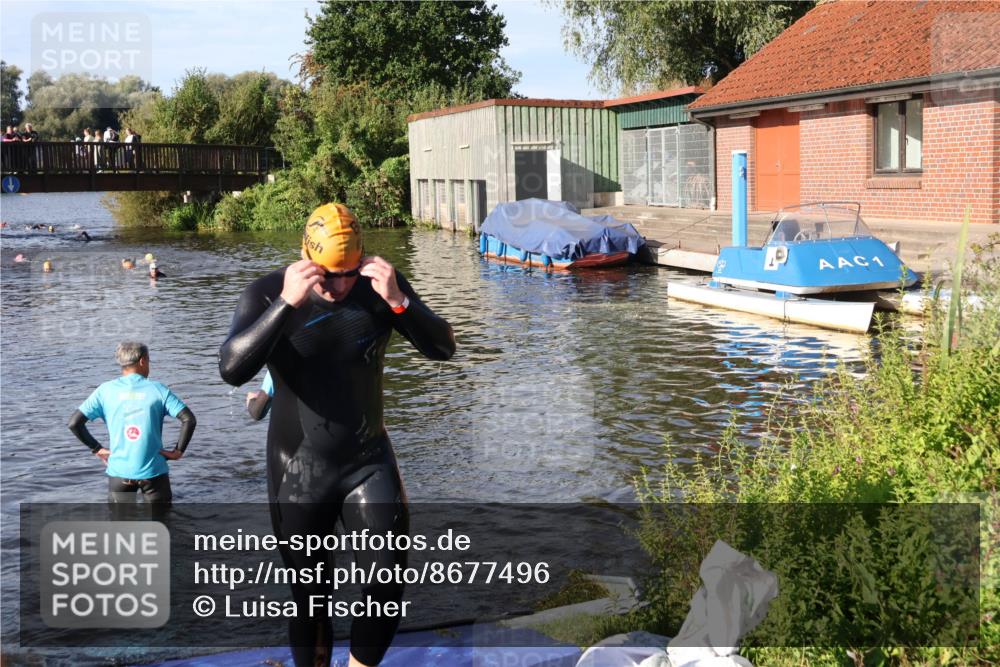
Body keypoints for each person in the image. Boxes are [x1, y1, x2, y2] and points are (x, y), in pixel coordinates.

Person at [218, 203, 455, 667]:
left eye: (348, 273)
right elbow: (231, 368)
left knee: (386, 583)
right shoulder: (268, 293)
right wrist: (287, 304)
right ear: (306, 257)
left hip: (367, 459)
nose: (340, 285)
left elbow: (443, 348)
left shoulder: (380, 286)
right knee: (311, 597)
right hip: (298, 470)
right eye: (329, 275)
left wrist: (398, 302)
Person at [68, 342, 196, 505]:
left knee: (121, 528)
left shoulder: (104, 391)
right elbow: (189, 419)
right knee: (162, 526)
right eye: (149, 361)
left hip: (119, 473)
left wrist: (97, 448)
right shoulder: (158, 389)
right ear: (142, 361)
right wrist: (178, 451)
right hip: (153, 473)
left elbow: (74, 423)